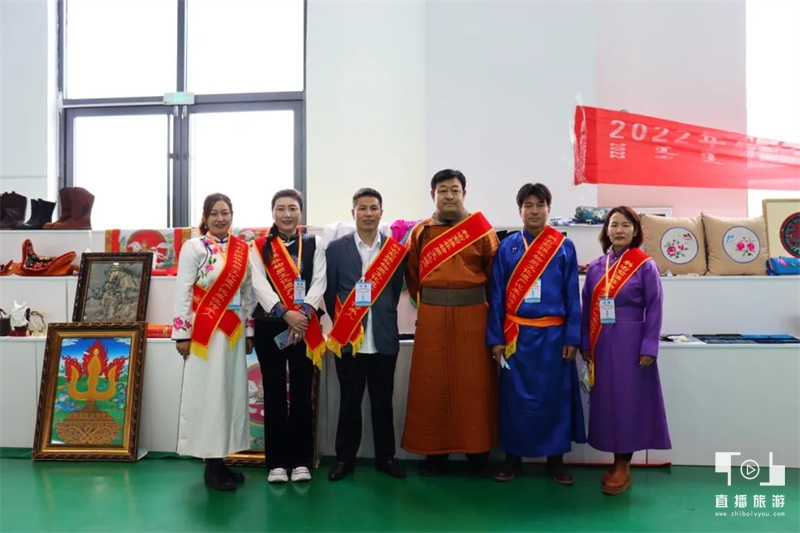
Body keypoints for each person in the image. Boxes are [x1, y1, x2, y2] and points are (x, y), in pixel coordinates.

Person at [486, 183, 586, 484]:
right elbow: (496, 296)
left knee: (555, 399)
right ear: (519, 210)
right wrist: (496, 339)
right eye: (528, 205)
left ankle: (556, 460)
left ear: (548, 209)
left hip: (554, 338)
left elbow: (572, 295)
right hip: (516, 337)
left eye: (540, 205)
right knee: (514, 400)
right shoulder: (507, 247)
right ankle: (512, 458)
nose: (534, 211)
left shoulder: (564, 246)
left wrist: (572, 337)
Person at [402, 169, 499, 476]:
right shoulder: (420, 232)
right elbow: (412, 274)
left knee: (474, 385)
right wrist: (434, 300)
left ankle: (478, 453)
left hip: (473, 316)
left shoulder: (482, 230)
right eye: (442, 190)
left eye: (455, 190)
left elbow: (494, 275)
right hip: (432, 316)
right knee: (432, 384)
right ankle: (435, 454)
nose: (449, 196)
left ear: (464, 194)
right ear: (433, 195)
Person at [580, 206, 671, 495]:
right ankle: (615, 460)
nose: (619, 230)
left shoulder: (645, 266)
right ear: (606, 230)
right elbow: (587, 308)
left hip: (632, 344)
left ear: (635, 231)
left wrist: (649, 346)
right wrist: (585, 343)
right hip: (601, 342)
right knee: (608, 401)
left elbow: (655, 308)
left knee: (628, 403)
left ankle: (623, 465)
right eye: (613, 224)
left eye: (625, 225)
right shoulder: (597, 266)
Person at [172, 193, 256, 491]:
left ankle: (223, 459)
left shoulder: (243, 249)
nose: (221, 218)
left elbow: (248, 294)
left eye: (225, 212)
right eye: (214, 213)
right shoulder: (194, 247)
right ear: (205, 217)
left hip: (232, 334)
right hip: (204, 334)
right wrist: (182, 333)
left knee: (230, 394)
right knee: (208, 396)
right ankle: (212, 466)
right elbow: (183, 291)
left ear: (232, 215)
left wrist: (249, 332)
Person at [324, 188, 408, 481]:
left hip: (383, 339)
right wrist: (347, 323)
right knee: (349, 403)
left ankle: (387, 458)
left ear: (381, 213)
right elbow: (330, 292)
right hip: (348, 341)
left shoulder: (394, 251)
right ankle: (344, 460)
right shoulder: (336, 249)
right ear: (353, 213)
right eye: (362, 208)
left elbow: (394, 291)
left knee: (383, 403)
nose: (368, 213)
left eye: (373, 208)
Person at [249, 189, 327, 483]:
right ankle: (277, 463)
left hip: (304, 326)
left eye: (292, 208)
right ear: (273, 213)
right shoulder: (259, 246)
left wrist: (302, 314)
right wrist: (286, 314)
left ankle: (301, 461)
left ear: (300, 212)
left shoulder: (314, 243)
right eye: (280, 208)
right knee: (274, 393)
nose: (287, 214)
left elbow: (319, 280)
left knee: (302, 392)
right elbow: (259, 285)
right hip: (271, 326)